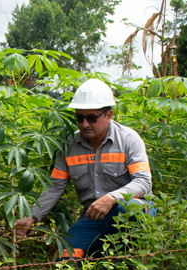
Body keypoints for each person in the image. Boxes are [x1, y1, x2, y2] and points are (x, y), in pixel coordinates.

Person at [14, 78, 155, 260]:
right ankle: (98, 256)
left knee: (125, 211)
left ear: (109, 115)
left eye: (92, 118)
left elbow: (143, 182)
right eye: (80, 118)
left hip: (134, 208)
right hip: (94, 216)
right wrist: (31, 216)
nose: (85, 124)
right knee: (63, 260)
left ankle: (124, 257)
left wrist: (112, 198)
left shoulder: (128, 139)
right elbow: (55, 186)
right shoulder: (70, 146)